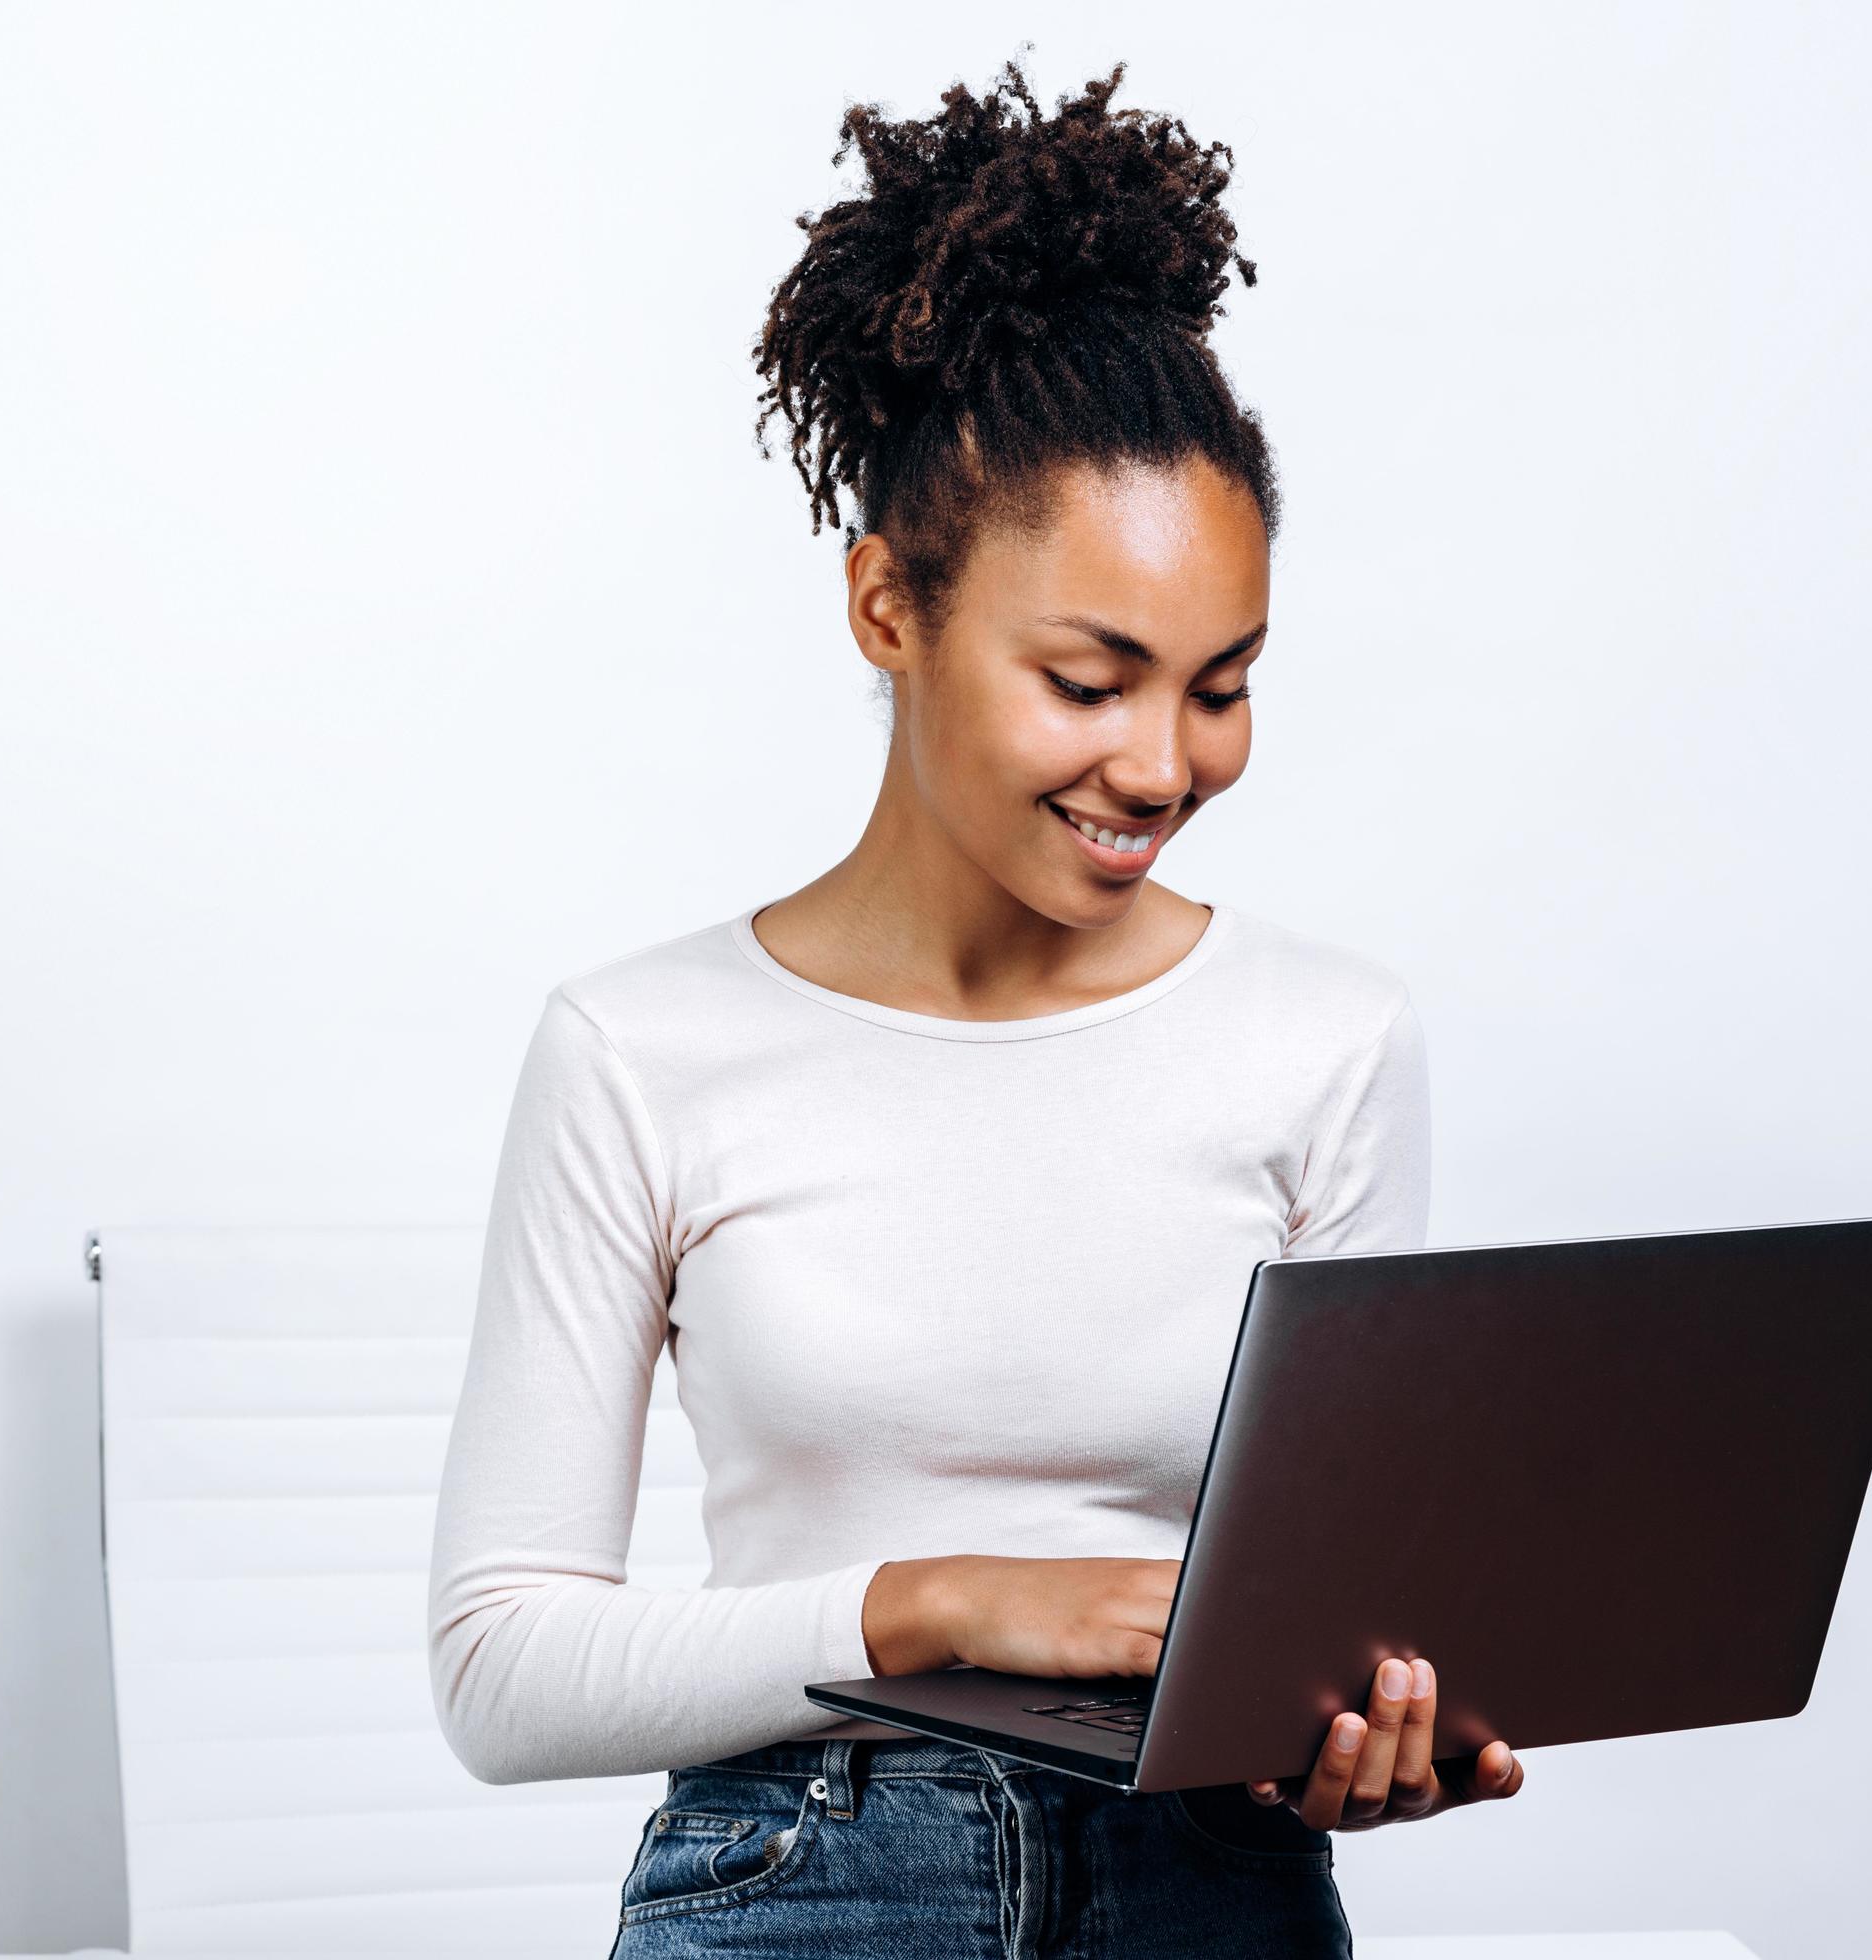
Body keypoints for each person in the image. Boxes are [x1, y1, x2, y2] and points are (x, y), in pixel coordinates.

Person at [426, 54, 1524, 1957]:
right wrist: (939, 1603)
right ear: (886, 608)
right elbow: (500, 1668)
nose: (1165, 763)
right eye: (1090, 678)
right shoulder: (637, 1052)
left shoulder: (1328, 1045)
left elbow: (1337, 1612)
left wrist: (1376, 1725)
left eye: (1220, 682)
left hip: (1212, 1879)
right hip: (799, 1869)